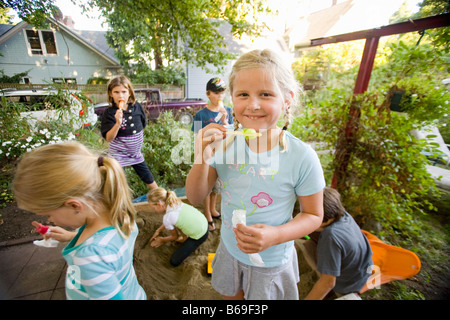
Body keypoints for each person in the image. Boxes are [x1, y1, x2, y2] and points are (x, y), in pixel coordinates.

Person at [186, 49, 325, 300]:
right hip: (229, 249)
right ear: (232, 99)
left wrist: (276, 235)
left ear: (286, 99)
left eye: (265, 94)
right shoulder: (224, 145)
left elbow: (313, 214)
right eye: (243, 94)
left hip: (271, 260)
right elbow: (195, 197)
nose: (253, 104)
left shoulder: (301, 157)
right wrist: (200, 156)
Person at [13, 141, 146, 300]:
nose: (51, 221)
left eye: (48, 215)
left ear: (75, 205)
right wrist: (71, 237)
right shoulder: (121, 216)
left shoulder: (89, 258)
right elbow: (109, 247)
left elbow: (98, 257)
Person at [302, 187, 373, 300]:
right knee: (309, 239)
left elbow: (328, 282)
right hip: (361, 273)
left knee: (301, 246)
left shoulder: (331, 237)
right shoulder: (342, 214)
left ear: (324, 219)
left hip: (346, 285)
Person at [191, 77, 234, 231]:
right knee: (208, 187)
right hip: (208, 155)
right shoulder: (200, 115)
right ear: (208, 94)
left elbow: (231, 132)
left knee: (217, 186)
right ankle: (207, 213)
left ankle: (214, 209)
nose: (220, 97)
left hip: (222, 154)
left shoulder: (228, 111)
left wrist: (225, 121)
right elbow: (197, 136)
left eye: (222, 93)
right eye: (216, 93)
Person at [101, 75, 157, 190]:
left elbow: (143, 123)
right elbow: (109, 138)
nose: (120, 95)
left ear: (130, 93)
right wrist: (118, 123)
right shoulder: (109, 113)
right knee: (118, 183)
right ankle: (119, 205)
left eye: (124, 92)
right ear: (111, 94)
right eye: (116, 92)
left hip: (135, 153)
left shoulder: (137, 107)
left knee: (148, 177)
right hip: (118, 154)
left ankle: (163, 197)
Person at [148, 187, 209, 267]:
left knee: (174, 261)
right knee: (179, 223)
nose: (154, 209)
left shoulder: (167, 217)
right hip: (204, 224)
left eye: (154, 207)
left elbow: (174, 236)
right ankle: (184, 238)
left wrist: (162, 240)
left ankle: (187, 246)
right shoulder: (174, 202)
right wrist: (158, 230)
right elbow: (171, 220)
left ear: (159, 204)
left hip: (199, 235)